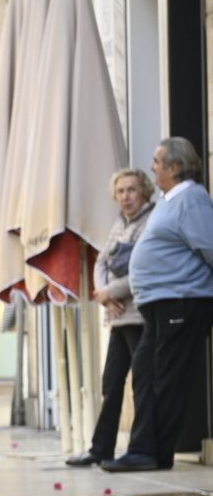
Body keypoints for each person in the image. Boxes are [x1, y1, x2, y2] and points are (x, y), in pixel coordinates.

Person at [101, 137, 213, 473]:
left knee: (165, 378)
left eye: (157, 161)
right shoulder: (170, 199)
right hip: (159, 304)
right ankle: (147, 450)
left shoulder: (191, 199)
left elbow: (209, 247)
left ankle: (151, 452)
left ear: (175, 167)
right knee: (147, 374)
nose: (153, 167)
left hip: (181, 300)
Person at [67, 168, 154, 467]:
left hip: (139, 316)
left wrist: (110, 292)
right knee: (111, 382)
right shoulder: (118, 224)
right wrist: (103, 293)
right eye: (121, 191)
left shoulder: (151, 222)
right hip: (118, 316)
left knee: (142, 384)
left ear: (144, 191)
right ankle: (100, 448)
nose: (126, 196)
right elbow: (101, 261)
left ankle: (142, 450)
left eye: (131, 190)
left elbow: (145, 268)